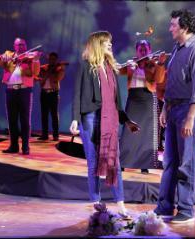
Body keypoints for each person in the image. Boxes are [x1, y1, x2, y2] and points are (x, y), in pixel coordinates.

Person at [69, 31, 139, 219]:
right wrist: (75, 118)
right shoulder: (86, 66)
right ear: (97, 44)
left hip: (110, 119)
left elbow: (116, 100)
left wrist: (126, 120)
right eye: (106, 42)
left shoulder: (111, 67)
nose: (110, 44)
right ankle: (96, 201)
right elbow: (77, 93)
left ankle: (121, 204)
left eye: (110, 41)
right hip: (90, 117)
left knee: (113, 161)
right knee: (93, 162)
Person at [153, 9, 195, 223]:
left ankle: (186, 210)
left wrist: (190, 117)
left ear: (184, 28)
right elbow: (172, 83)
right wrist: (165, 108)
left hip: (189, 110)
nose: (170, 29)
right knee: (169, 161)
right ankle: (165, 206)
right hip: (174, 108)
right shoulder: (177, 49)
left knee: (186, 162)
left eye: (173, 25)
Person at [119, 40, 166, 174]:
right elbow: (117, 69)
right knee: (128, 133)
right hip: (133, 99)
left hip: (147, 99)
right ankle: (123, 162)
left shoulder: (153, 64)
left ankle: (144, 164)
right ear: (137, 51)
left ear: (150, 50)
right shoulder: (131, 64)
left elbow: (159, 79)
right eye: (141, 49)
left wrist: (160, 63)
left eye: (146, 49)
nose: (143, 51)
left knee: (146, 133)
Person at [0, 38, 41, 155]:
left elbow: (36, 73)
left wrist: (35, 60)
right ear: (14, 46)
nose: (21, 47)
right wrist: (3, 58)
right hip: (10, 91)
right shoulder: (9, 55)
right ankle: (13, 146)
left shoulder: (29, 59)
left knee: (25, 120)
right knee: (12, 120)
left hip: (24, 91)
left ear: (26, 46)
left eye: (23, 45)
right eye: (18, 45)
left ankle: (25, 147)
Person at [37, 52, 66, 141]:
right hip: (44, 93)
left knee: (54, 115)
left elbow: (57, 79)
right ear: (48, 59)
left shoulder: (59, 69)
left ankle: (55, 135)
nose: (52, 61)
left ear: (56, 60)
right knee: (44, 115)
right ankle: (44, 134)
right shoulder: (43, 68)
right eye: (50, 59)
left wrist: (61, 69)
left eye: (53, 59)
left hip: (53, 93)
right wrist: (49, 71)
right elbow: (41, 80)